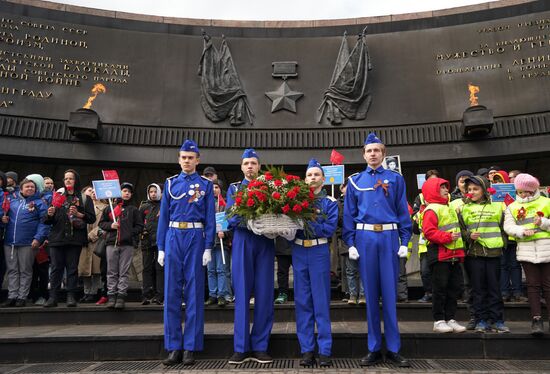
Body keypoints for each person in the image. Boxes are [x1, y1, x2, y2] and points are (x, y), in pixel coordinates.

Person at [343, 133, 411, 368]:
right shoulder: (355, 181)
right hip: (365, 238)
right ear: (364, 154)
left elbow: (403, 210)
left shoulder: (396, 179)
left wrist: (404, 240)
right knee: (370, 295)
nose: (372, 153)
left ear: (383, 153)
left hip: (390, 237)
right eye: (369, 150)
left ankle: (393, 348)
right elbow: (349, 215)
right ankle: (373, 348)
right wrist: (350, 243)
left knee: (390, 295)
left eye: (377, 150)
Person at [156, 139, 215, 366]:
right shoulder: (170, 184)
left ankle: (190, 346)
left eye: (191, 158)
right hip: (173, 237)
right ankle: (173, 347)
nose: (187, 161)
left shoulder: (205, 185)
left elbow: (210, 218)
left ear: (197, 160)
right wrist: (161, 247)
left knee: (194, 294)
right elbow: (163, 219)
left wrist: (208, 246)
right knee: (171, 293)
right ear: (179, 159)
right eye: (183, 157)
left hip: (194, 238)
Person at [226, 148, 275, 365]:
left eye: (253, 163)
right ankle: (241, 347)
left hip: (264, 241)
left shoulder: (270, 189)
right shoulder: (234, 189)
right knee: (242, 293)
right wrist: (251, 223)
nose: (250, 167)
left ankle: (260, 346)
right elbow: (231, 217)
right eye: (246, 163)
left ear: (259, 166)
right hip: (243, 240)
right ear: (241, 167)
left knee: (265, 294)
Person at [291, 159, 338, 367]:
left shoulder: (330, 202)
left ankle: (325, 350)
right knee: (302, 302)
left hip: (319, 250)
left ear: (323, 178)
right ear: (305, 179)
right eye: (309, 175)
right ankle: (307, 350)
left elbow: (329, 229)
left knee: (321, 301)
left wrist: (307, 223)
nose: (312, 178)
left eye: (316, 175)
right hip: (299, 250)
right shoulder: (295, 202)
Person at [458, 176, 509, 333]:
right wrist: (468, 236)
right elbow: (460, 229)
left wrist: (503, 245)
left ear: (485, 189)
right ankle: (480, 320)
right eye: (469, 190)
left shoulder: (497, 207)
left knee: (494, 289)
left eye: (475, 189)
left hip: (494, 254)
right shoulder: (462, 209)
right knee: (478, 289)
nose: (471, 192)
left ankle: (497, 320)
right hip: (474, 254)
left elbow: (503, 229)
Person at [503, 173, 550, 336]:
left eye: (528, 191)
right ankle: (536, 320)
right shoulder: (512, 206)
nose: (525, 194)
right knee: (533, 286)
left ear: (534, 189)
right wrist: (522, 231)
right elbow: (508, 227)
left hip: (547, 249)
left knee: (548, 285)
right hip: (526, 250)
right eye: (521, 191)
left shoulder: (546, 202)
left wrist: (543, 223)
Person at [421, 177, 466, 334]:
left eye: (446, 187)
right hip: (439, 255)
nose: (446, 190)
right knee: (440, 289)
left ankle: (450, 318)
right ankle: (439, 320)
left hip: (453, 254)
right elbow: (429, 232)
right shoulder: (432, 209)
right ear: (433, 190)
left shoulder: (448, 207)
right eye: (442, 188)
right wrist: (447, 237)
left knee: (454, 288)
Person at [44, 169, 95, 308]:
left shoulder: (84, 198)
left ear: (76, 180)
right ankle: (52, 297)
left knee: (72, 269)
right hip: (57, 238)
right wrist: (50, 214)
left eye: (70, 179)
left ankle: (71, 296)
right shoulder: (57, 195)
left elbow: (92, 218)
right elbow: (47, 220)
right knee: (55, 269)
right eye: (65, 179)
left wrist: (79, 214)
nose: (67, 181)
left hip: (75, 239)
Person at [1, 178, 49, 307]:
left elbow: (44, 222)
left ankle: (22, 297)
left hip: (28, 242)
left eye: (32, 187)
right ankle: (12, 296)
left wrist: (38, 238)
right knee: (12, 270)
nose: (30, 189)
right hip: (10, 242)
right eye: (27, 186)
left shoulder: (39, 203)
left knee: (25, 270)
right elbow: (4, 216)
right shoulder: (12, 201)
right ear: (21, 189)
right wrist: (3, 219)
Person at [99, 182, 143, 309]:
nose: (127, 193)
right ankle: (111, 296)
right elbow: (102, 223)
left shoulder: (134, 210)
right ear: (119, 192)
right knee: (111, 271)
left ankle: (121, 296)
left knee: (124, 272)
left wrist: (129, 233)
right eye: (124, 191)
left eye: (129, 192)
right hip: (111, 243)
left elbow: (139, 226)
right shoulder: (110, 208)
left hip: (127, 244)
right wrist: (110, 226)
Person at [412, 169, 440, 303]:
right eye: (430, 180)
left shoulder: (447, 195)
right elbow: (415, 215)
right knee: (425, 271)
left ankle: (439, 294)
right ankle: (428, 293)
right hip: (425, 242)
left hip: (442, 240)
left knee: (440, 271)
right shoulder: (420, 197)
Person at [336, 180, 365, 305]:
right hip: (347, 239)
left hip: (362, 238)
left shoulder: (361, 200)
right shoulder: (338, 203)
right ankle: (352, 294)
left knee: (363, 268)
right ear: (342, 188)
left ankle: (363, 294)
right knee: (350, 269)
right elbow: (337, 221)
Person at [78, 186, 107, 303]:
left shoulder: (105, 208)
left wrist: (90, 236)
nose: (94, 193)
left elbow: (103, 226)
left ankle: (94, 292)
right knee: (85, 270)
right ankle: (86, 292)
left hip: (97, 241)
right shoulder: (82, 207)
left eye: (96, 191)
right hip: (83, 242)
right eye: (91, 191)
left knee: (96, 271)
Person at [205, 179, 231, 307]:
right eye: (212, 187)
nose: (214, 190)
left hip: (221, 242)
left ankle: (222, 294)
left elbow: (230, 222)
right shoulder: (205, 204)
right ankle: (212, 294)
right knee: (210, 270)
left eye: (216, 187)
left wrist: (225, 233)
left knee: (221, 269)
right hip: (208, 242)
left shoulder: (225, 204)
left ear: (220, 189)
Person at [139, 183, 164, 305]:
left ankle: (160, 294)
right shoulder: (143, 206)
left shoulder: (164, 205)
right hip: (147, 241)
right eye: (151, 192)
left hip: (160, 241)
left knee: (160, 268)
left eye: (155, 191)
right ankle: (146, 294)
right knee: (147, 268)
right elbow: (138, 223)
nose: (153, 194)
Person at [274, 236, 292, 304]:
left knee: (299, 273)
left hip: (297, 245)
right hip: (281, 246)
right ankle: (282, 293)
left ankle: (300, 293)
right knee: (282, 272)